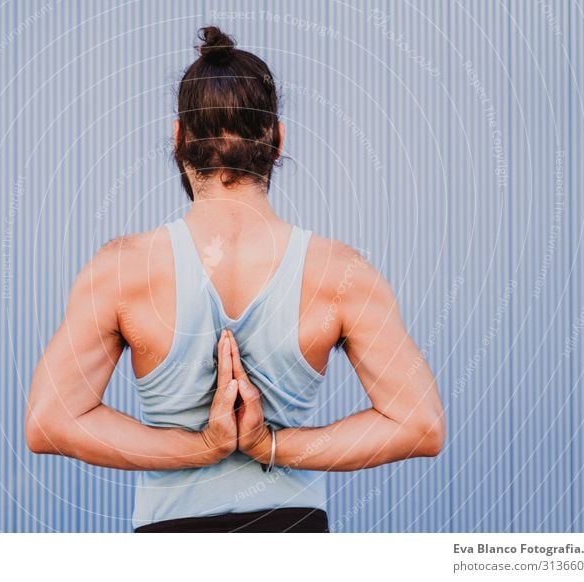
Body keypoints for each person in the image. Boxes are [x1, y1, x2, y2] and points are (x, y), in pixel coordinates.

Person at [24, 26, 445, 533]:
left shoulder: (121, 269)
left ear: (178, 138)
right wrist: (269, 444)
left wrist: (203, 448)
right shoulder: (342, 272)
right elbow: (420, 426)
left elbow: (50, 423)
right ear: (278, 138)